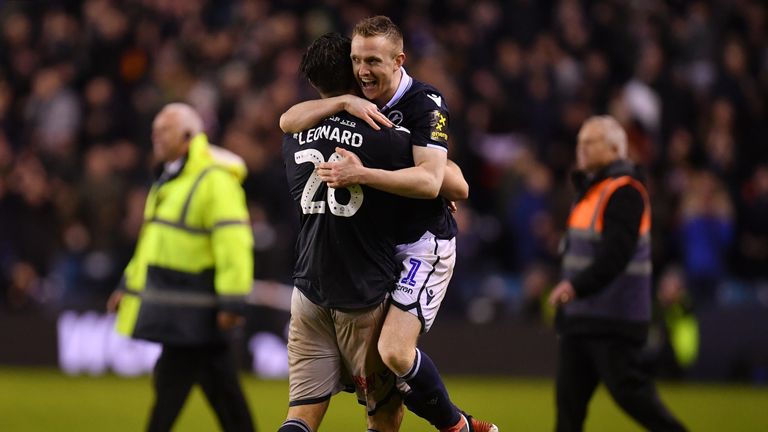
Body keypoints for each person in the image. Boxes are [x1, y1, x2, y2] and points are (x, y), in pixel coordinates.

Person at [281, 16, 497, 432]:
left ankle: (456, 426)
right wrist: (345, 103)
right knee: (383, 385)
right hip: (383, 247)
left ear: (400, 60)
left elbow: (448, 183)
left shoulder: (424, 103)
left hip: (423, 242)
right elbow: (287, 118)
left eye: (374, 62)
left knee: (395, 355)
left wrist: (365, 174)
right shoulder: (361, 104)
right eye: (357, 60)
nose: (364, 71)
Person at [278, 32, 415, 432]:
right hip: (361, 292)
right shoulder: (384, 135)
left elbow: (287, 119)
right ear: (356, 71)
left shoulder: (292, 137)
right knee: (385, 413)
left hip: (308, 289)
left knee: (301, 414)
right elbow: (432, 177)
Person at [107, 103, 256, 432]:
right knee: (224, 393)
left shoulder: (213, 181)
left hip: (196, 308)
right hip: (178, 304)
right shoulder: (170, 179)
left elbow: (234, 245)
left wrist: (232, 301)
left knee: (170, 386)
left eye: (164, 130)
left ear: (189, 136)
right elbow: (152, 244)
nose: (155, 137)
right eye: (154, 130)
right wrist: (126, 286)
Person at [547, 115, 687, 432]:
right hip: (582, 320)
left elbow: (616, 255)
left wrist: (575, 286)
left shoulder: (625, 192)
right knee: (568, 410)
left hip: (614, 319)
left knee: (633, 397)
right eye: (579, 141)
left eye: (589, 142)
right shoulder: (591, 191)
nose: (580, 148)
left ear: (614, 148)